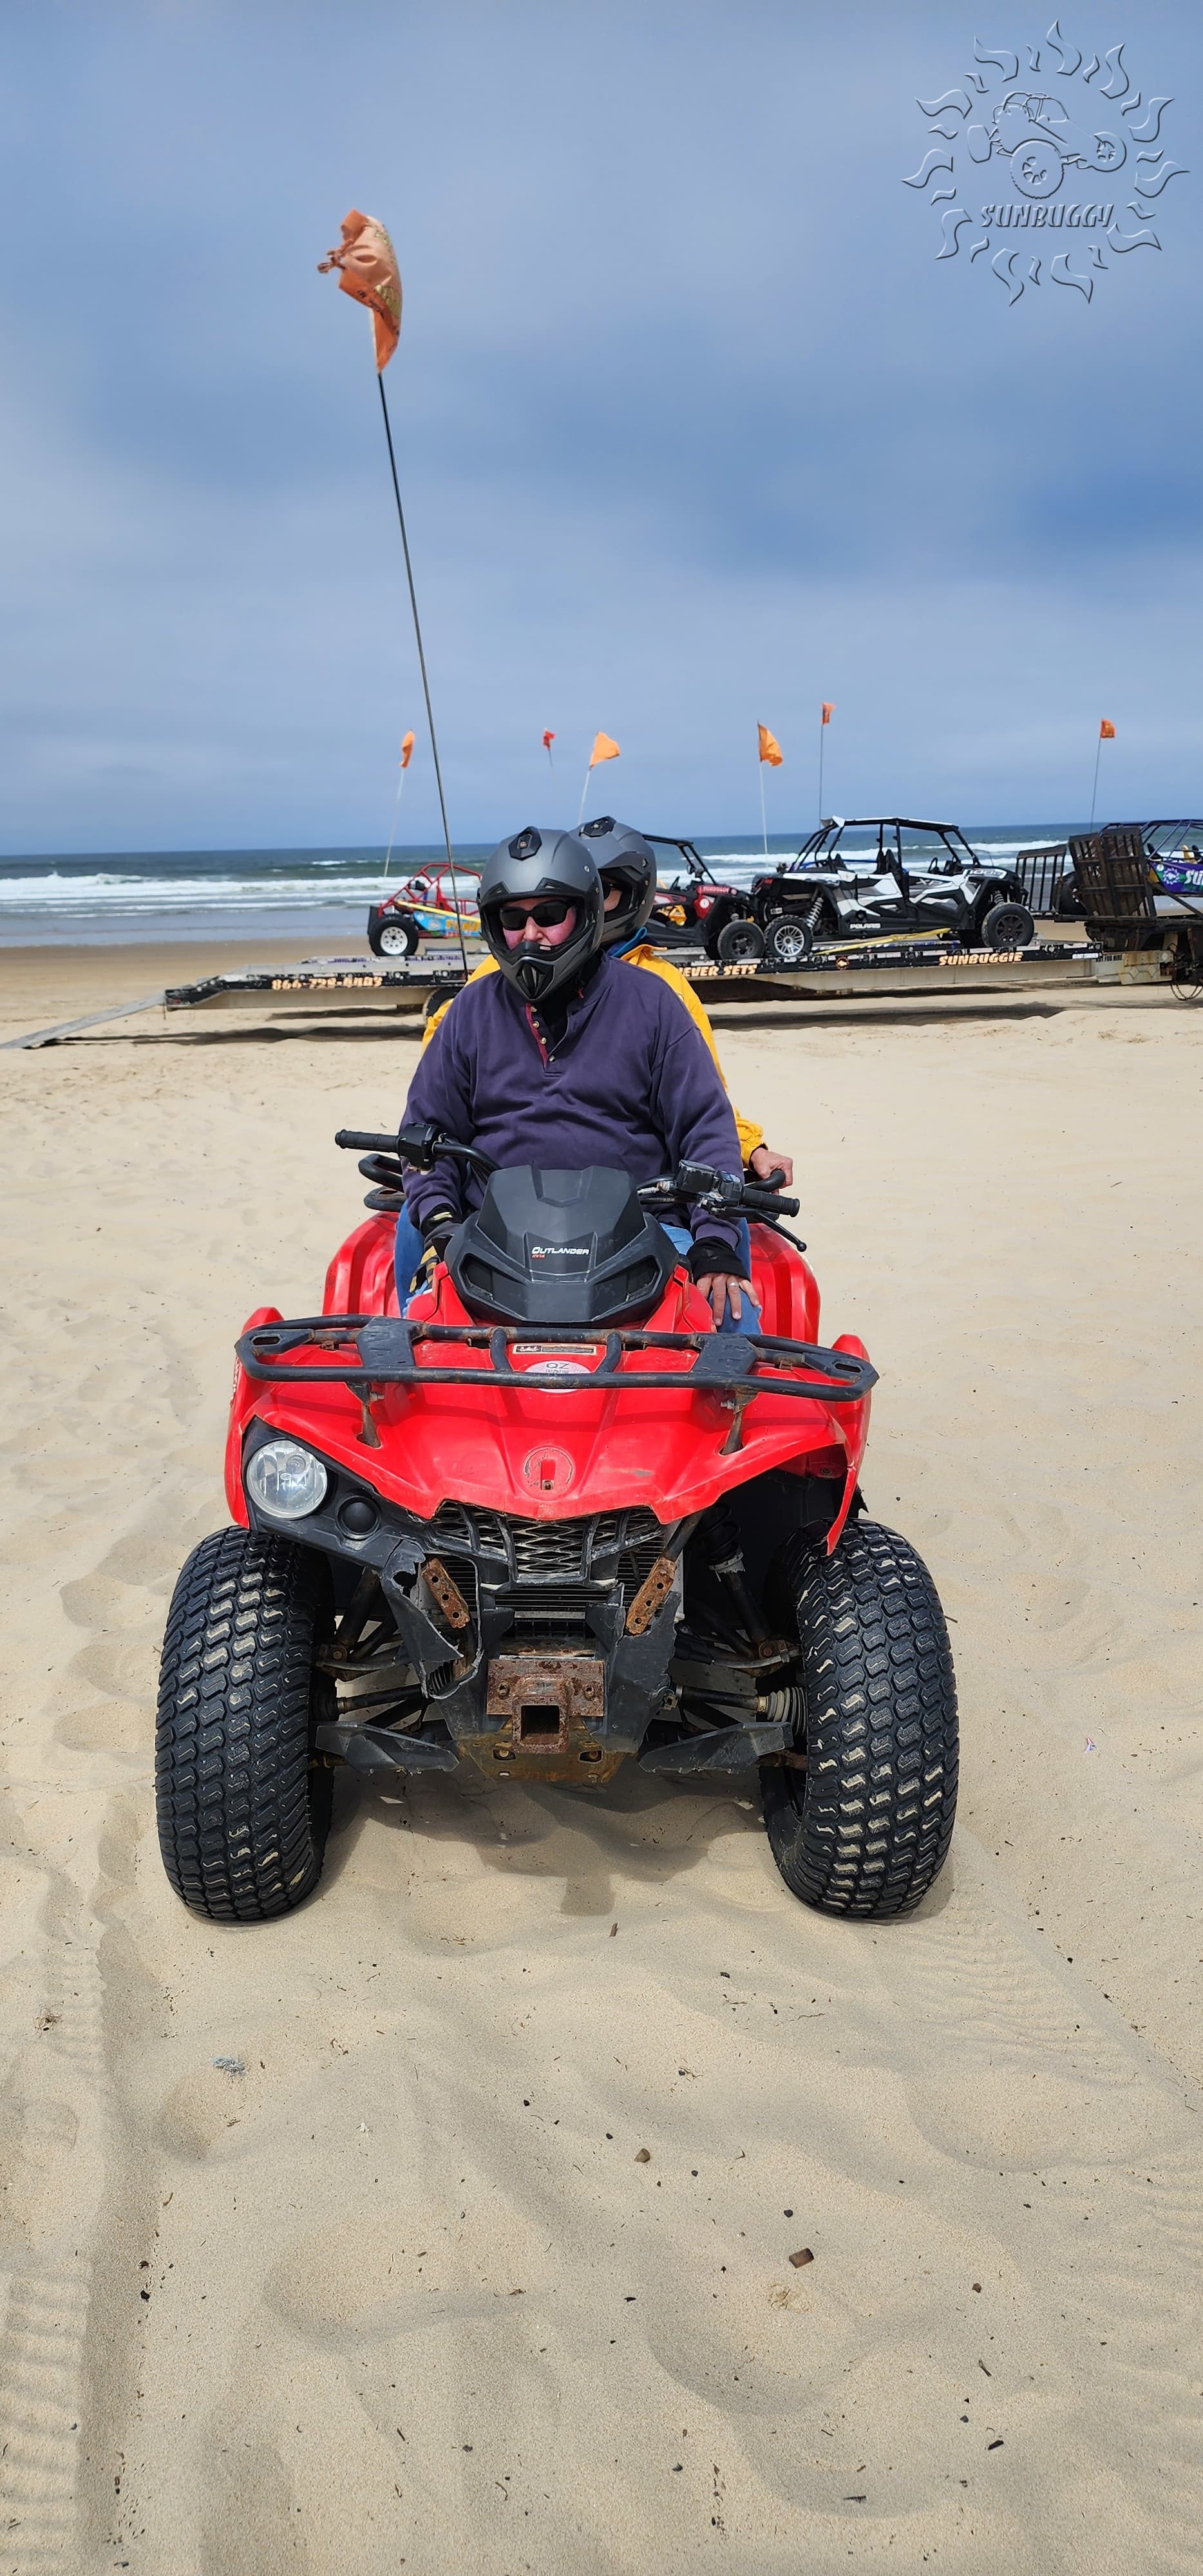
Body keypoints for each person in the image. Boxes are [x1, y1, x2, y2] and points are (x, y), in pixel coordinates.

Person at [396, 826, 761, 1330]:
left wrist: (715, 1243)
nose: (530, 934)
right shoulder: (469, 1011)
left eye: (549, 915)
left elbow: (706, 1127)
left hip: (643, 1230)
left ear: (586, 913)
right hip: (493, 1235)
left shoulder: (654, 1004)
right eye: (512, 919)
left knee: (734, 1321)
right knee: (417, 1322)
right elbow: (427, 1132)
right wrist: (441, 1223)